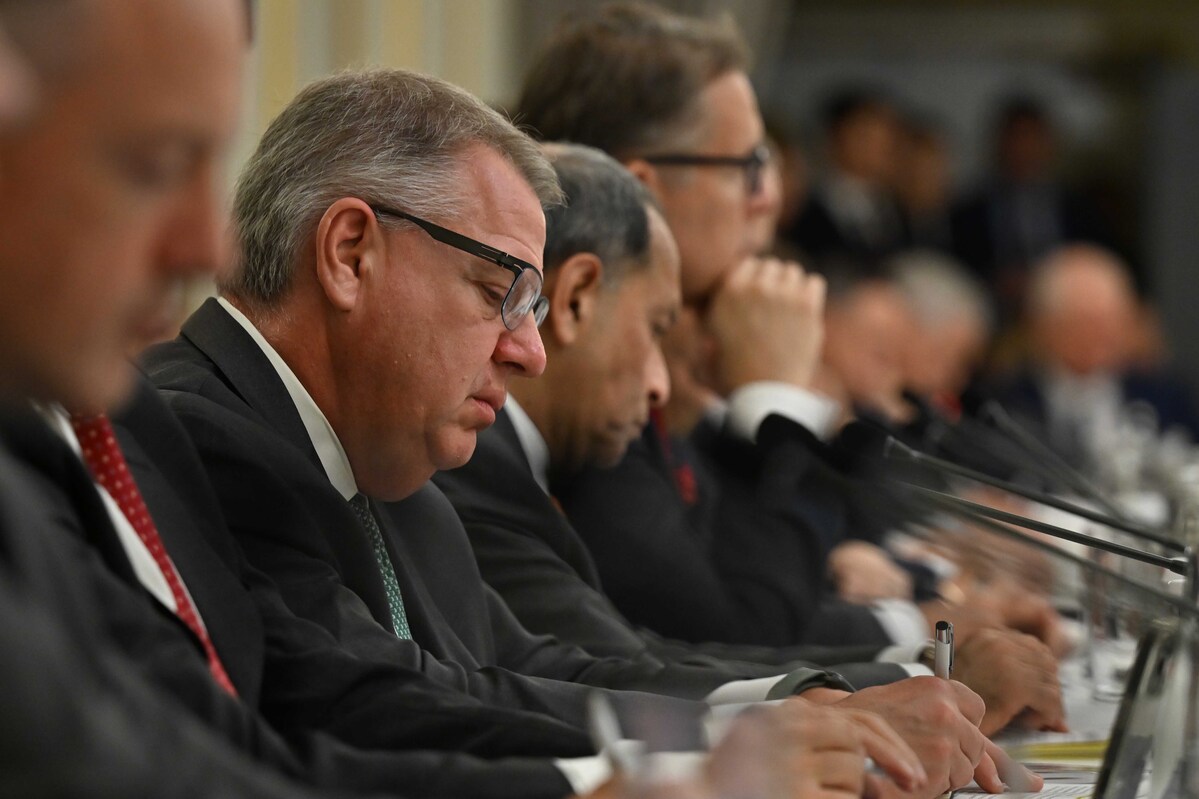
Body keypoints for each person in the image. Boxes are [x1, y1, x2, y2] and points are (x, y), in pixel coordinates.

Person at [143, 67, 946, 797]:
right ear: (351, 254)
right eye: (499, 291)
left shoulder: (381, 453)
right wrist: (708, 755)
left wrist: (803, 706)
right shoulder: (199, 434)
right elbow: (371, 701)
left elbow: (527, 664)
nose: (530, 351)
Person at [991, 243, 1199, 471]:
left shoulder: (1166, 396)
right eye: (1084, 322)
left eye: (1111, 320)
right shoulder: (1005, 404)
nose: (1101, 335)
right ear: (1044, 325)